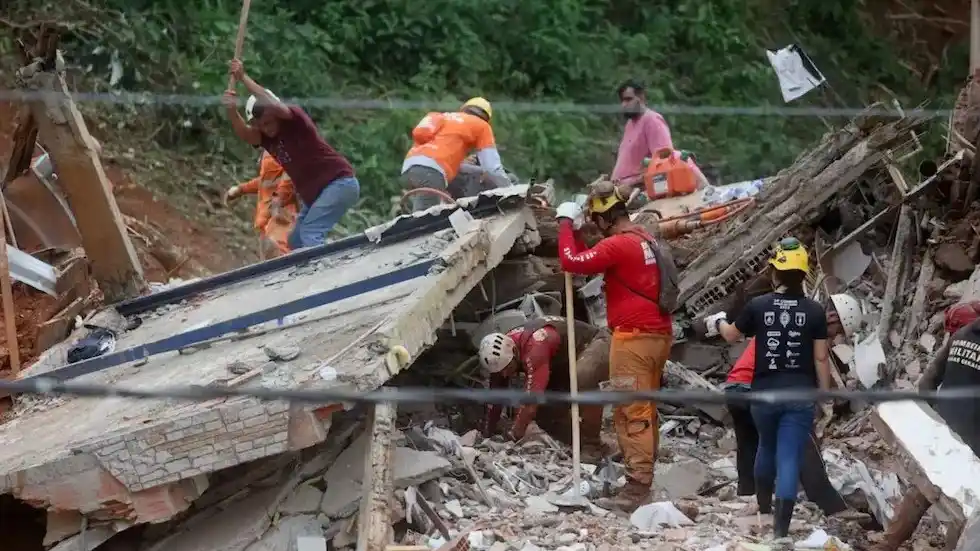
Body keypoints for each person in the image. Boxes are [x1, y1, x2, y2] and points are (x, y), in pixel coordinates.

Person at [553, 190, 676, 512]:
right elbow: (586, 258)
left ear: (606, 218)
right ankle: (642, 475)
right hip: (657, 335)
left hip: (633, 339)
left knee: (630, 411)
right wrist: (578, 235)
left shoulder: (618, 244)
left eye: (597, 222)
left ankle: (637, 488)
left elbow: (571, 262)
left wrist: (565, 225)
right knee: (644, 408)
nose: (598, 228)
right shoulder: (644, 239)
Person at [704, 237, 833, 541]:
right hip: (799, 396)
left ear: (775, 272)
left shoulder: (758, 306)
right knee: (788, 456)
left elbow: (731, 336)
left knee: (766, 447)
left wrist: (720, 320)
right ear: (804, 274)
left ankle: (763, 510)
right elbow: (821, 357)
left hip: (763, 395)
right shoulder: (814, 311)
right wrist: (824, 396)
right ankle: (781, 532)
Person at [874, 300, 980, 551]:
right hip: (974, 439)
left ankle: (885, 545)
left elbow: (927, 384)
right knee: (966, 510)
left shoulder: (963, 334)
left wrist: (934, 422)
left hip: (944, 431)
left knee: (921, 490)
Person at [223, 59, 360, 249]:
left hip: (339, 183)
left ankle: (324, 273)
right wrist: (231, 111)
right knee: (295, 241)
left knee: (311, 234)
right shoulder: (267, 138)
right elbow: (246, 134)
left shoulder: (294, 120)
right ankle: (311, 273)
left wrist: (243, 77)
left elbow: (272, 102)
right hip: (317, 195)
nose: (267, 129)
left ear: (276, 115)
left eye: (270, 122)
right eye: (262, 125)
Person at [724, 337, 849, 516]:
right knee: (804, 444)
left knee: (750, 445)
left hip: (736, 386)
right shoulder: (810, 327)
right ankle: (830, 505)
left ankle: (749, 498)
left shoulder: (770, 318)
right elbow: (817, 362)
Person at [477, 316, 610, 460]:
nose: (505, 374)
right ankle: (581, 442)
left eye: (507, 368)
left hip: (595, 343)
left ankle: (592, 444)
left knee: (583, 377)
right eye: (500, 372)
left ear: (514, 353)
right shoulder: (502, 359)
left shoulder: (535, 347)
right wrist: (486, 434)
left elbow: (530, 403)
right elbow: (494, 399)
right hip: (561, 361)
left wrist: (513, 437)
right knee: (544, 413)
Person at [401, 98, 511, 212]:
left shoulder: (445, 117)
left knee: (422, 212)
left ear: (463, 109)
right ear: (486, 119)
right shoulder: (482, 126)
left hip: (409, 168)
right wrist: (510, 191)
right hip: (432, 172)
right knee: (423, 219)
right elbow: (492, 168)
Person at [224, 92, 300, 257]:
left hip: (280, 213)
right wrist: (242, 189)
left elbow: (291, 175)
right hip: (268, 217)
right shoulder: (270, 149)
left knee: (280, 259)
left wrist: (279, 200)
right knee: (271, 265)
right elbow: (268, 180)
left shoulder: (285, 145)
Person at [611, 79, 707, 188]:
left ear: (641, 97)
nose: (624, 104)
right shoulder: (630, 124)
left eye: (628, 99)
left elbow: (665, 160)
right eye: (622, 101)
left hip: (639, 189)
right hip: (619, 189)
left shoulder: (652, 120)